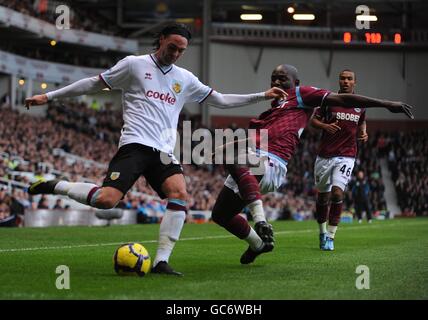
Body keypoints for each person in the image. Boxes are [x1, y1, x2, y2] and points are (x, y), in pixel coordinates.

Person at [24, 23, 286, 276]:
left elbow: (220, 100)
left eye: (181, 50)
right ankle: (58, 185)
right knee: (106, 201)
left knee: (179, 193)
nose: (175, 54)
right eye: (172, 47)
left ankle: (162, 261)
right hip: (134, 145)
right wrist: (48, 97)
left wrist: (261, 96)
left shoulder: (184, 78)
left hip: (163, 151)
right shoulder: (133, 65)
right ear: (161, 39)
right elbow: (93, 83)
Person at [211, 64, 413, 264]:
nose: (277, 82)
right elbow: (258, 138)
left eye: (282, 78)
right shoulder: (276, 109)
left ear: (295, 82)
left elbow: (343, 99)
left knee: (234, 157)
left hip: (271, 162)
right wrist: (225, 146)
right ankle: (258, 244)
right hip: (251, 163)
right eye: (274, 78)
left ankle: (261, 220)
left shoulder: (301, 94)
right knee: (221, 214)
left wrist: (387, 103)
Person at [311, 69, 368, 251]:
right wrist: (325, 126)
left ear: (354, 82)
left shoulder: (360, 105)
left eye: (349, 79)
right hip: (325, 155)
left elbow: (361, 121)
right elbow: (313, 121)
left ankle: (331, 236)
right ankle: (322, 231)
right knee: (323, 197)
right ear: (339, 81)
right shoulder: (329, 100)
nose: (345, 81)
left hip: (347, 155)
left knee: (337, 193)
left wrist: (363, 132)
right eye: (343, 78)